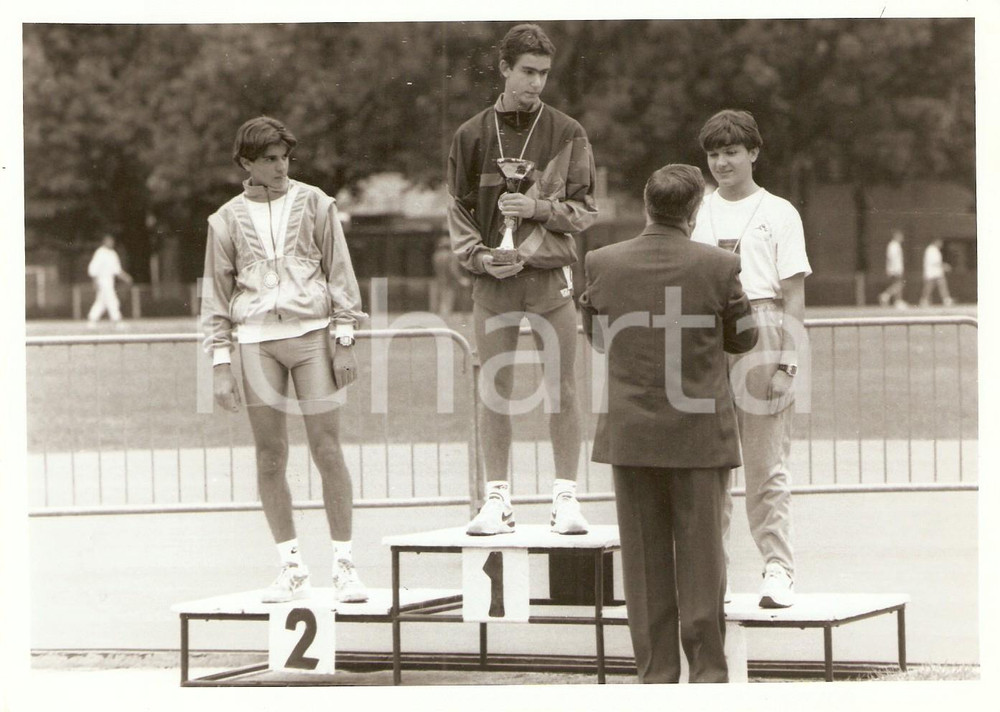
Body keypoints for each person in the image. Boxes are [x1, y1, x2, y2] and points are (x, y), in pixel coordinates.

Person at [580, 164, 758, 683]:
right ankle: (706, 675)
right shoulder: (720, 265)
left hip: (633, 434)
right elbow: (744, 339)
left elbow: (596, 336)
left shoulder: (602, 261)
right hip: (699, 436)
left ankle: (655, 676)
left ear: (645, 204)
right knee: (703, 563)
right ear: (695, 210)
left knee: (643, 564)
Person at [201, 116, 368, 604]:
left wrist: (344, 337)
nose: (280, 167)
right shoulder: (225, 219)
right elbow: (216, 295)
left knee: (327, 449)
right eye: (269, 159)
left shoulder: (317, 202)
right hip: (255, 343)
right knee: (270, 455)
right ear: (246, 163)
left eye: (285, 158)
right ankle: (291, 566)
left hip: (312, 336)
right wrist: (219, 364)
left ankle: (344, 565)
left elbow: (340, 272)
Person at [447, 23, 598, 535]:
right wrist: (479, 258)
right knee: (495, 389)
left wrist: (535, 206)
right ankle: (497, 500)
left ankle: (565, 498)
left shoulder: (568, 131)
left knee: (563, 390)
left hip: (550, 278)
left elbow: (584, 211)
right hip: (495, 282)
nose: (536, 83)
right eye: (527, 72)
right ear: (504, 69)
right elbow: (458, 212)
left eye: (544, 74)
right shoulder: (470, 134)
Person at [691, 109, 812, 608]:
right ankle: (709, 573)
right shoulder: (697, 211)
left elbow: (794, 298)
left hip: (761, 327)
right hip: (706, 333)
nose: (722, 162)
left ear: (754, 153)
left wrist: (788, 365)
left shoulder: (779, 211)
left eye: (731, 152)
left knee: (764, 464)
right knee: (708, 464)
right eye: (714, 154)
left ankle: (778, 568)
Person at [86, 233, 132, 326]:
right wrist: (95, 281)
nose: (111, 243)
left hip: (110, 281)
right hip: (102, 281)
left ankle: (92, 320)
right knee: (112, 300)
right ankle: (117, 320)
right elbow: (93, 268)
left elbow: (117, 270)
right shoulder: (100, 253)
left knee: (101, 302)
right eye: (109, 241)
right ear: (104, 242)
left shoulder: (112, 254)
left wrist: (126, 277)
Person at [431, 235, 471, 318]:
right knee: (447, 303)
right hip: (449, 282)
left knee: (439, 302)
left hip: (438, 280)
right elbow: (453, 269)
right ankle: (445, 321)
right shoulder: (451, 255)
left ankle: (439, 320)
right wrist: (461, 279)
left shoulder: (436, 255)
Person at [919, 238, 954, 306]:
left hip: (937, 272)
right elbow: (935, 262)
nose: (941, 244)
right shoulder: (931, 250)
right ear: (936, 242)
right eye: (940, 242)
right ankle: (924, 300)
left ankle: (946, 299)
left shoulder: (935, 250)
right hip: (931, 272)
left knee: (942, 285)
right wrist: (945, 266)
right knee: (928, 288)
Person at [878, 229, 908, 308]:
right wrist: (894, 269)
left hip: (897, 268)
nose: (902, 237)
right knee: (899, 284)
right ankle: (887, 296)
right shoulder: (893, 245)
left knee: (898, 284)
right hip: (895, 269)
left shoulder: (896, 245)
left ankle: (896, 300)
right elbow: (892, 258)